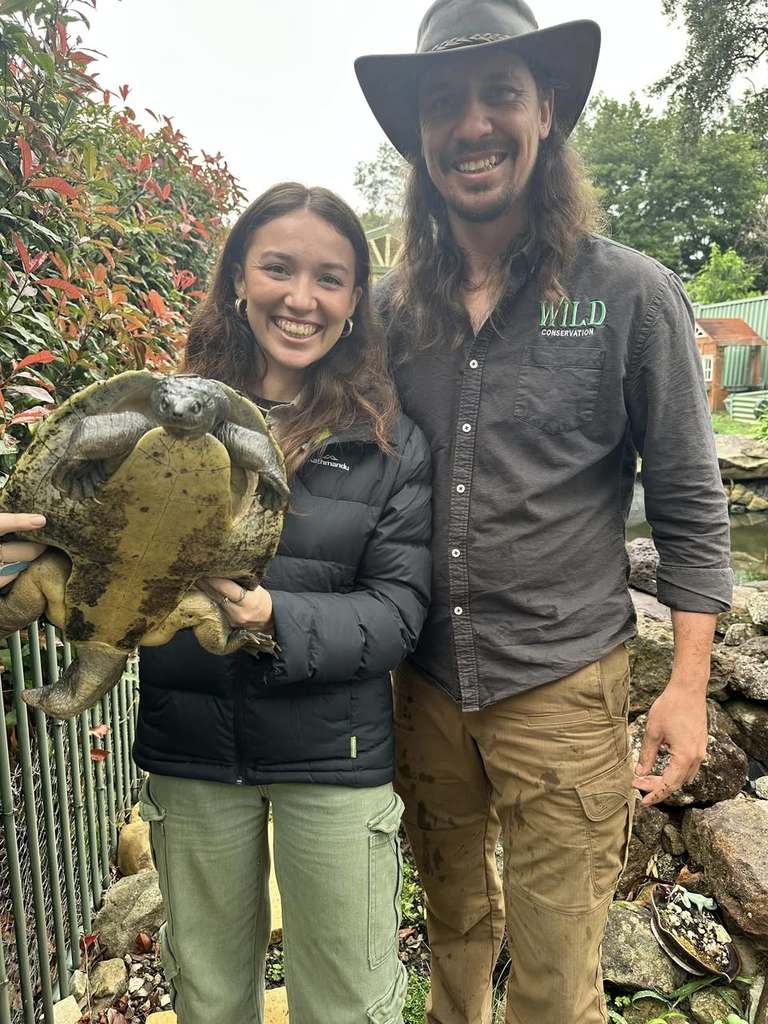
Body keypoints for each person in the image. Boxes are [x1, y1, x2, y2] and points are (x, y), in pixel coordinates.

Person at [355, 2, 732, 1022]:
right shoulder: (387, 312)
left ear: (546, 112)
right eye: (445, 102)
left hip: (561, 689)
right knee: (452, 940)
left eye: (500, 94)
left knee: (559, 980)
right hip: (423, 685)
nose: (472, 124)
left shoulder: (630, 296)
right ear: (421, 134)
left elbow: (691, 504)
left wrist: (688, 685)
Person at [10, 184, 432, 1024]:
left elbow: (396, 614)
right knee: (207, 997)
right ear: (238, 278)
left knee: (349, 1005)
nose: (301, 298)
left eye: (329, 278)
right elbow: (66, 530)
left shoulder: (387, 442)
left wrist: (275, 617)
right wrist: (19, 551)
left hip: (333, 758)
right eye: (277, 268)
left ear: (356, 301)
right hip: (193, 751)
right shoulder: (153, 408)